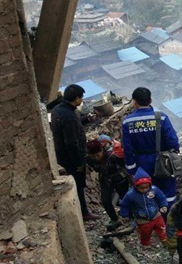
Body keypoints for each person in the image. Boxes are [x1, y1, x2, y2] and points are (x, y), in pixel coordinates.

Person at [121, 87, 180, 219]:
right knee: (168, 193)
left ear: (134, 102)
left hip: (142, 165)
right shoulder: (162, 118)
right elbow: (173, 142)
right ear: (151, 100)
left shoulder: (127, 122)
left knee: (146, 192)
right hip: (163, 161)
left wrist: (131, 170)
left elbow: (128, 149)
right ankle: (169, 222)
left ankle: (152, 222)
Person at [50, 84, 99, 221]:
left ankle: (81, 211)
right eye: (81, 98)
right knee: (78, 185)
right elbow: (71, 142)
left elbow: (71, 126)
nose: (82, 100)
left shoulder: (57, 109)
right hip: (71, 158)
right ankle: (83, 212)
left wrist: (85, 119)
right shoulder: (69, 116)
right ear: (76, 98)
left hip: (61, 156)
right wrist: (78, 162)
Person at [85, 139, 130, 231]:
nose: (96, 158)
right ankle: (114, 219)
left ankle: (131, 217)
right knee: (105, 200)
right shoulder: (89, 159)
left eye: (97, 155)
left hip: (120, 179)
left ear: (102, 150)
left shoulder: (114, 156)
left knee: (125, 198)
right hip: (105, 180)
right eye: (93, 156)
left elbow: (127, 165)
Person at [119, 167, 168, 246]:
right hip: (142, 219)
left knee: (162, 229)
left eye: (146, 187)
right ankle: (145, 243)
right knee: (145, 233)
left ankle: (165, 240)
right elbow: (125, 204)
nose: (145, 190)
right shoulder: (131, 194)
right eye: (141, 188)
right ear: (136, 186)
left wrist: (164, 205)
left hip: (156, 215)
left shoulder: (153, 190)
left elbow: (161, 197)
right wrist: (124, 214)